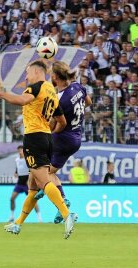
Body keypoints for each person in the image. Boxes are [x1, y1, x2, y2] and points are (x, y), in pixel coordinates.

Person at [0, 60, 77, 239]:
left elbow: (20, 100)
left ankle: (67, 214)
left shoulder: (35, 87)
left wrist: (0, 93)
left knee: (43, 181)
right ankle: (18, 223)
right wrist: (48, 130)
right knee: (32, 187)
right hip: (47, 139)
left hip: (34, 138)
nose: (26, 77)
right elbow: (62, 121)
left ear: (36, 72)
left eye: (27, 73)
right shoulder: (52, 90)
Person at [33, 61, 92, 223]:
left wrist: (49, 133)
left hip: (63, 138)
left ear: (55, 77)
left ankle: (51, 192)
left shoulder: (58, 99)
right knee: (50, 172)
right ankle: (58, 199)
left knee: (41, 170)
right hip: (76, 138)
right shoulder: (77, 87)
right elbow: (89, 102)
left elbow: (57, 125)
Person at [9, 145, 42, 222]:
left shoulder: (27, 159)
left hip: (27, 183)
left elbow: (32, 169)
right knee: (12, 198)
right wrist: (16, 173)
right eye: (19, 150)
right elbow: (18, 168)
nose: (20, 152)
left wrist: (30, 180)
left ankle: (39, 217)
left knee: (33, 200)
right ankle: (12, 216)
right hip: (20, 183)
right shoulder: (17, 160)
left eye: (21, 150)